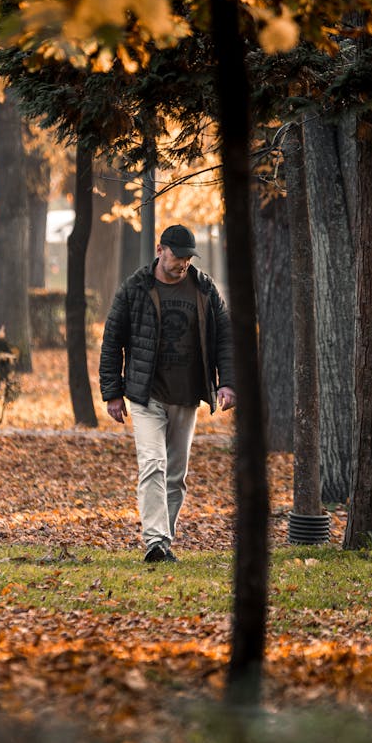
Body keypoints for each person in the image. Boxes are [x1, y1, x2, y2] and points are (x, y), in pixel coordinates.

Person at [99, 224, 236, 564]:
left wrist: (227, 382)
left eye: (189, 258)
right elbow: (112, 341)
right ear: (160, 249)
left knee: (176, 475)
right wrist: (113, 393)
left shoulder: (204, 288)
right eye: (178, 256)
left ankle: (164, 539)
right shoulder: (135, 288)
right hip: (146, 395)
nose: (183, 264)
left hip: (187, 395)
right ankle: (155, 542)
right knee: (153, 465)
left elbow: (225, 340)